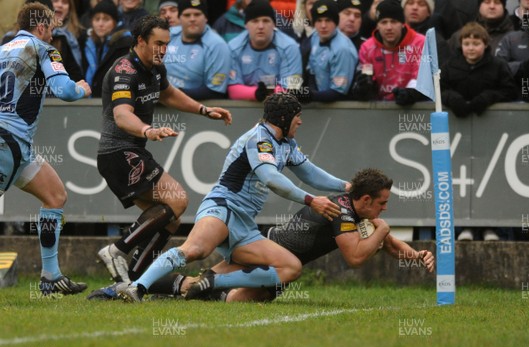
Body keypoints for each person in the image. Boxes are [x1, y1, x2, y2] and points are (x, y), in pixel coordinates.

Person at [116, 93, 350, 302]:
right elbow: (271, 179)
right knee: (196, 249)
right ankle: (137, 287)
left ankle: (211, 283)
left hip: (245, 224)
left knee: (290, 268)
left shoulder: (286, 144)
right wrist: (311, 200)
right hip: (223, 208)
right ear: (283, 118)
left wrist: (346, 186)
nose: (300, 121)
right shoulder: (260, 139)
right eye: (297, 116)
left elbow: (310, 173)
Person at [94, 15, 232, 287]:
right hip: (118, 153)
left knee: (172, 217)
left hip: (130, 152)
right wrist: (147, 130)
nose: (163, 50)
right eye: (157, 43)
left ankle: (136, 277)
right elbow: (122, 115)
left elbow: (168, 94)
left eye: (167, 44)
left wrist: (204, 110)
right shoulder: (125, 70)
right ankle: (117, 250)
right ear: (140, 41)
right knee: (178, 199)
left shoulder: (155, 68)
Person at [182, 168, 436, 302]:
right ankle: (153, 285)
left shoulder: (359, 212)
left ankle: (175, 290)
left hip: (278, 258)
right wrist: (382, 228)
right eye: (383, 203)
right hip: (267, 252)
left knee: (219, 293)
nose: (385, 209)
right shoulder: (343, 213)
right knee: (217, 290)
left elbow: (388, 244)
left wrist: (417, 256)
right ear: (367, 199)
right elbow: (355, 258)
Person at [0, 2, 91, 295]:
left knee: (55, 196)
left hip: (17, 146)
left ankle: (50, 276)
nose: (52, 35)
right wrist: (82, 89)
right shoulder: (43, 48)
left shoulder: (2, 48)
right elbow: (65, 91)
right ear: (41, 27)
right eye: (51, 29)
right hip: (9, 140)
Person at [227, 0, 303, 101]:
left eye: (266, 21)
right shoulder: (233, 47)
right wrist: (256, 93)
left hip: (280, 108)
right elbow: (233, 90)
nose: (261, 26)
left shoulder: (290, 47)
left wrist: (266, 93)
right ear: (246, 25)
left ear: (274, 24)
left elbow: (292, 89)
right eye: (255, 21)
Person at [351, 0, 425, 104]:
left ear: (403, 24)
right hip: (380, 109)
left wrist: (411, 92)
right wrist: (365, 87)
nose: (389, 27)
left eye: (393, 22)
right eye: (384, 22)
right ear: (377, 25)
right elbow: (366, 76)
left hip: (412, 107)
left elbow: (420, 76)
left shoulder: (420, 43)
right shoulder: (367, 48)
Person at [441, 22, 517, 118]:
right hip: (456, 121)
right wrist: (451, 98)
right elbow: (439, 89)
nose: (471, 48)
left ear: (485, 44)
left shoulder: (498, 65)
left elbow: (510, 91)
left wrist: (488, 97)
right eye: (466, 44)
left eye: (476, 44)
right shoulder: (449, 65)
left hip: (490, 120)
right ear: (461, 44)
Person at [163, 0, 230, 100]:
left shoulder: (217, 46)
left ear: (206, 17)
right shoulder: (166, 36)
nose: (192, 19)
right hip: (160, 101)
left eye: (197, 14)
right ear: (179, 18)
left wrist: (172, 94)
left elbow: (215, 91)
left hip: (194, 108)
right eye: (187, 15)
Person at [303, 0, 358, 102]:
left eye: (328, 20)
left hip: (342, 109)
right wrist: (309, 92)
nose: (323, 25)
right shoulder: (315, 37)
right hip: (321, 103)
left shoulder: (343, 49)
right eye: (319, 20)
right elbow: (312, 72)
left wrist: (311, 96)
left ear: (336, 22)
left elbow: (339, 93)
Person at [82, 0, 133, 97]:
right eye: (97, 19)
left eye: (106, 19)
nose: (100, 24)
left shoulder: (124, 44)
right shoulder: (88, 43)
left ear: (115, 22)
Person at [447, 0, 516, 55]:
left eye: (497, 2)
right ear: (479, 6)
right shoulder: (460, 36)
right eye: (487, 2)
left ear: (503, 6)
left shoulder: (514, 38)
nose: (492, 6)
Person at [401, 0, 450, 66]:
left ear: (429, 12)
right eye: (410, 3)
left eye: (421, 4)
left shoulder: (436, 42)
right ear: (403, 8)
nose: (415, 7)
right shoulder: (394, 36)